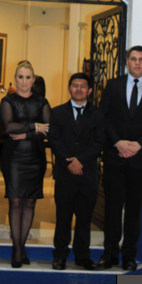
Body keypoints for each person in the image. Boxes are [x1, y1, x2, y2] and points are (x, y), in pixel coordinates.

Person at [98, 45, 142, 271]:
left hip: (141, 159)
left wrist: (139, 144)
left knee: (133, 209)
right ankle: (110, 254)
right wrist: (118, 142)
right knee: (112, 207)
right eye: (133, 59)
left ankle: (129, 255)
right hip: (114, 156)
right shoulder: (113, 85)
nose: (137, 63)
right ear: (127, 62)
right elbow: (102, 118)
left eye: (141, 59)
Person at [48, 73, 105, 271]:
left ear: (89, 91)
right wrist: (70, 163)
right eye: (75, 85)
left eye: (83, 86)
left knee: (84, 218)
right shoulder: (57, 113)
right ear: (69, 88)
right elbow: (54, 141)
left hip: (87, 174)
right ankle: (60, 255)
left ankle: (83, 256)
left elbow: (99, 142)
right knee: (63, 217)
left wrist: (81, 161)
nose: (78, 89)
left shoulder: (98, 114)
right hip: (65, 174)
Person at [0, 61, 50, 268]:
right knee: (15, 202)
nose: (24, 81)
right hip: (14, 158)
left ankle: (21, 247)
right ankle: (17, 250)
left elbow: (48, 130)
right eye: (20, 77)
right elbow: (8, 127)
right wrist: (34, 126)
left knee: (30, 202)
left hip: (36, 158)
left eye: (28, 77)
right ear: (15, 78)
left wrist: (27, 133)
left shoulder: (42, 101)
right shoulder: (8, 101)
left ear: (33, 79)